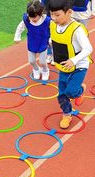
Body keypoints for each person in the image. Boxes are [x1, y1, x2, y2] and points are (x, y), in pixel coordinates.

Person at [49, 0, 93, 129]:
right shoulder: (53, 25)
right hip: (63, 65)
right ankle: (67, 114)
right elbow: (54, 39)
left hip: (79, 66)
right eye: (51, 14)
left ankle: (80, 90)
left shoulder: (77, 29)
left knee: (71, 91)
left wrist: (73, 60)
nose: (53, 18)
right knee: (62, 94)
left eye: (57, 15)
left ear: (69, 12)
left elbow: (88, 49)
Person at [14, 0, 50, 80]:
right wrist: (17, 37)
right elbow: (20, 27)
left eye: (34, 17)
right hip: (32, 42)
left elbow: (52, 30)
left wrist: (51, 39)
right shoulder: (27, 19)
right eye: (30, 17)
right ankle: (36, 69)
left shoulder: (46, 20)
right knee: (31, 61)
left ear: (40, 14)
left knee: (43, 62)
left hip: (43, 43)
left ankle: (45, 70)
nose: (32, 19)